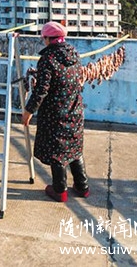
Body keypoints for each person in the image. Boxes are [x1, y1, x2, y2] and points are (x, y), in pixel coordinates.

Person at [21, 21, 89, 202]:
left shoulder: (48, 59)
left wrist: (28, 111)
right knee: (74, 148)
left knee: (57, 151)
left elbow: (41, 90)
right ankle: (83, 187)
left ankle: (60, 190)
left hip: (55, 113)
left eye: (43, 38)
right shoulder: (74, 54)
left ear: (48, 38)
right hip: (75, 109)